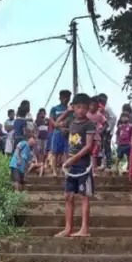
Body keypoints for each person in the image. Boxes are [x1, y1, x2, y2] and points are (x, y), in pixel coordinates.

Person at [58, 93, 97, 237]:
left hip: (83, 165)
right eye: (78, 107)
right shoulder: (70, 121)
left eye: (84, 108)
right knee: (68, 196)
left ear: (88, 108)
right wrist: (67, 111)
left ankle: (84, 229)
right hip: (71, 167)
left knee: (84, 196)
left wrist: (72, 160)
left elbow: (88, 146)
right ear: (73, 107)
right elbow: (56, 123)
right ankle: (68, 228)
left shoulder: (89, 124)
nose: (81, 110)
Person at [49, 90, 71, 175]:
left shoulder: (71, 109)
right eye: (64, 97)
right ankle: (54, 171)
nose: (66, 99)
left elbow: (72, 122)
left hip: (67, 134)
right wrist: (60, 127)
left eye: (68, 97)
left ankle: (65, 170)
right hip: (57, 133)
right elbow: (52, 122)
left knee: (66, 153)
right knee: (55, 152)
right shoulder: (54, 109)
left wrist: (67, 129)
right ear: (60, 98)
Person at [115, 109, 132, 175]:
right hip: (121, 144)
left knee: (129, 156)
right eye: (122, 117)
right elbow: (117, 134)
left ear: (128, 118)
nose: (124, 118)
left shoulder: (131, 126)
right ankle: (116, 168)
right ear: (120, 118)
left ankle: (129, 168)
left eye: (125, 117)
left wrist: (131, 142)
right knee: (118, 156)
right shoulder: (119, 126)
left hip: (128, 144)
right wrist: (117, 140)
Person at [34, 109, 49, 176]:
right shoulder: (37, 121)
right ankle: (40, 163)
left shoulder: (47, 120)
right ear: (39, 114)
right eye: (41, 113)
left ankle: (44, 163)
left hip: (46, 137)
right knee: (40, 150)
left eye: (44, 113)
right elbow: (36, 129)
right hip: (39, 138)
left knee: (45, 150)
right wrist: (36, 137)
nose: (42, 114)